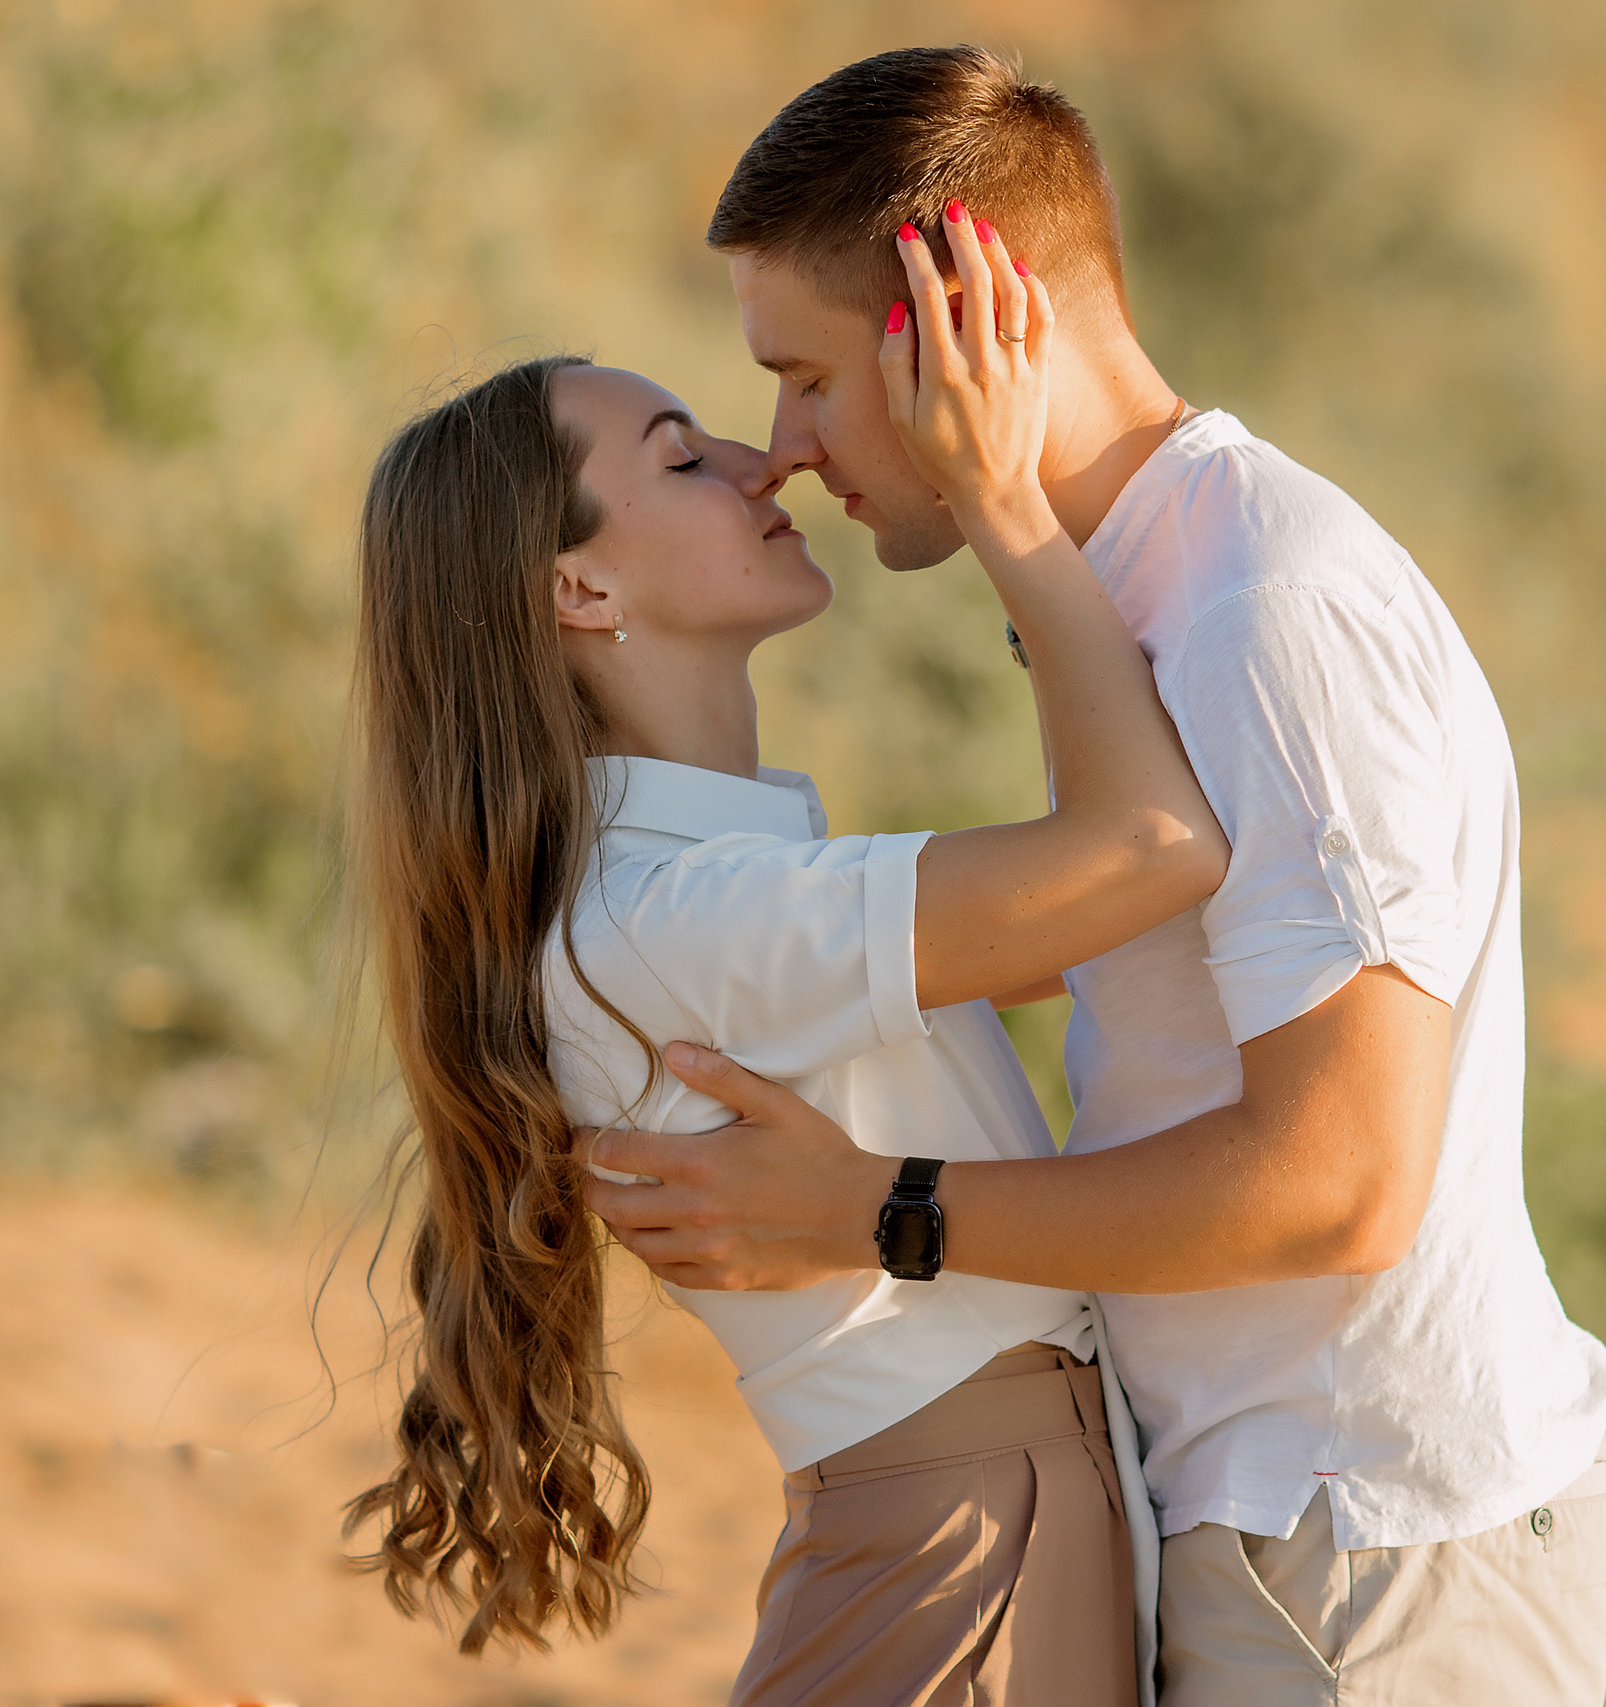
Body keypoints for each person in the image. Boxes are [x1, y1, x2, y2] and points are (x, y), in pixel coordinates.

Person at [581, 46, 1606, 1707]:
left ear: (952, 325)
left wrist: (873, 1215)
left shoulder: (1260, 616)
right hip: (1285, 1524)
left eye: (802, 377)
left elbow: (1341, 1182)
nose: (780, 448)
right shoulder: (1140, 589)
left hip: (1364, 1548)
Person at [341, 207, 1227, 1703]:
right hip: (971, 1542)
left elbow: (1090, 926)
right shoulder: (674, 919)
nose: (766, 463)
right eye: (683, 459)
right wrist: (1005, 503)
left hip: (970, 1522)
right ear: (579, 593)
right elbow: (1154, 852)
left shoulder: (694, 890)